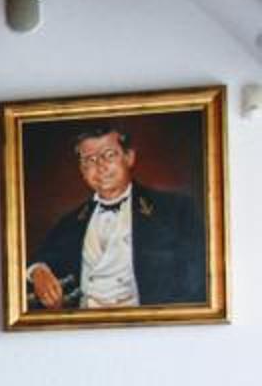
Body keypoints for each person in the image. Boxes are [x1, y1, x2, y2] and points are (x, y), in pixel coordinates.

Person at [25, 122, 207, 311]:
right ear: (82, 170)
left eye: (109, 155)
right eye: (90, 160)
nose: (100, 166)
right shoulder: (71, 222)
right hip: (84, 324)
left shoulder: (175, 210)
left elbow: (198, 280)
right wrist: (38, 271)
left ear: (129, 158)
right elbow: (39, 258)